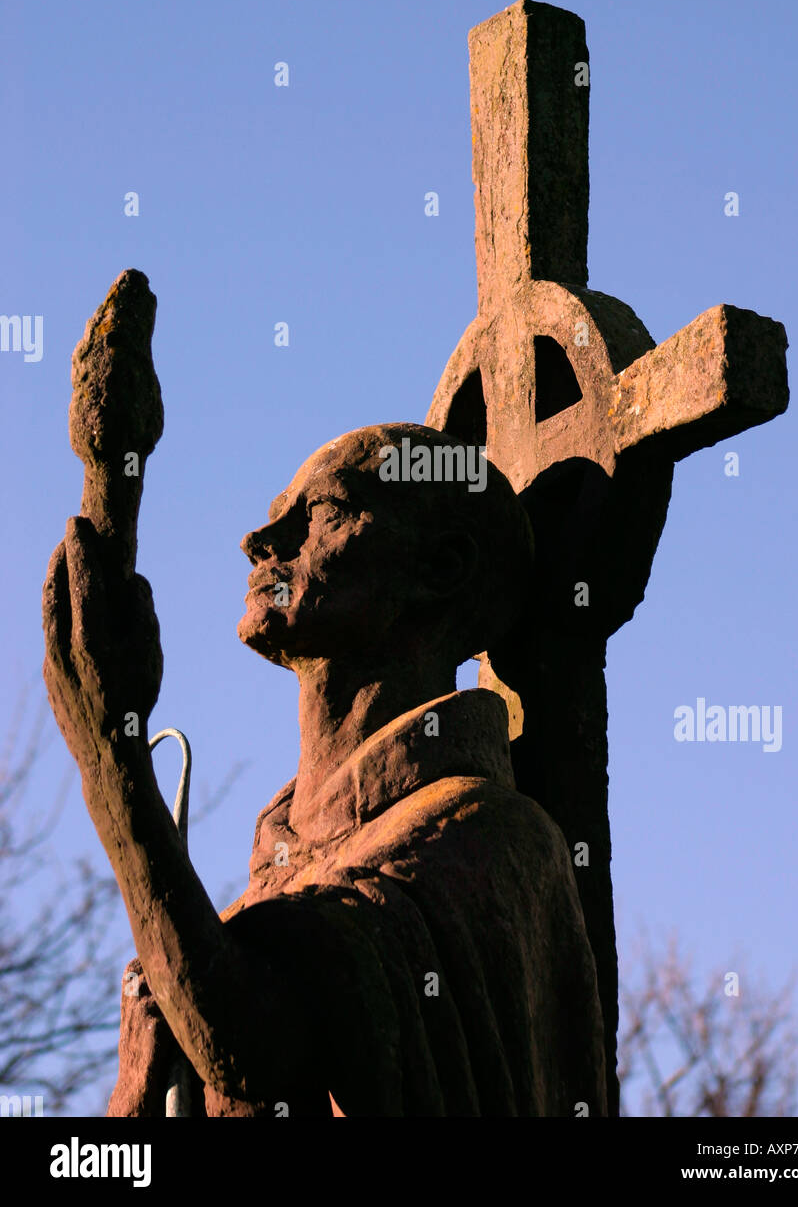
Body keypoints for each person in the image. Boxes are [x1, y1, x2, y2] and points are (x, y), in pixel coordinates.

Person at [43, 422, 606, 1116]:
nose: (262, 539)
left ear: (441, 569)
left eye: (324, 513)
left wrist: (111, 753)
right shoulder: (270, 874)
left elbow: (253, 1044)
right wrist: (137, 1092)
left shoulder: (489, 835)